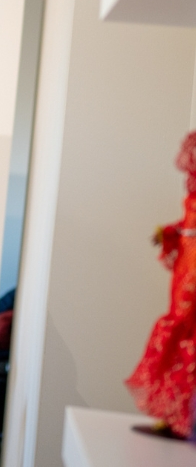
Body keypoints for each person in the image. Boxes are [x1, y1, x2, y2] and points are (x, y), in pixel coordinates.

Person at [125, 130, 196, 440]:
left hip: (192, 268)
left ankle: (180, 418)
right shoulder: (192, 194)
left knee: (183, 328)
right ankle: (173, 415)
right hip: (186, 265)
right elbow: (188, 225)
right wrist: (171, 232)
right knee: (179, 328)